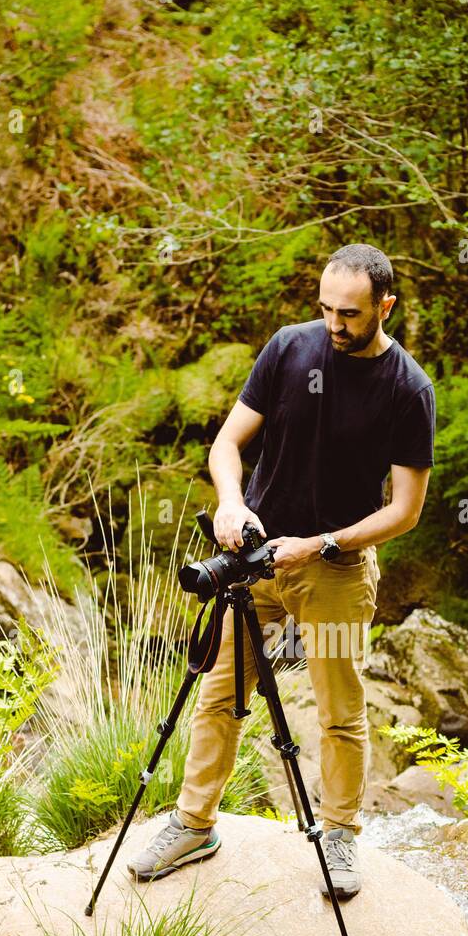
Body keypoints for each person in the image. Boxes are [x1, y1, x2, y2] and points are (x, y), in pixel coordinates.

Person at [128, 243, 434, 898]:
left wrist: (322, 543)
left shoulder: (408, 389)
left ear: (386, 305)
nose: (334, 325)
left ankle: (342, 834)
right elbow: (228, 444)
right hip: (254, 560)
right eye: (325, 308)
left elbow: (405, 511)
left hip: (336, 570)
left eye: (349, 314)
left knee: (339, 711)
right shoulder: (288, 350)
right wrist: (232, 502)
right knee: (218, 694)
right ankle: (193, 823)